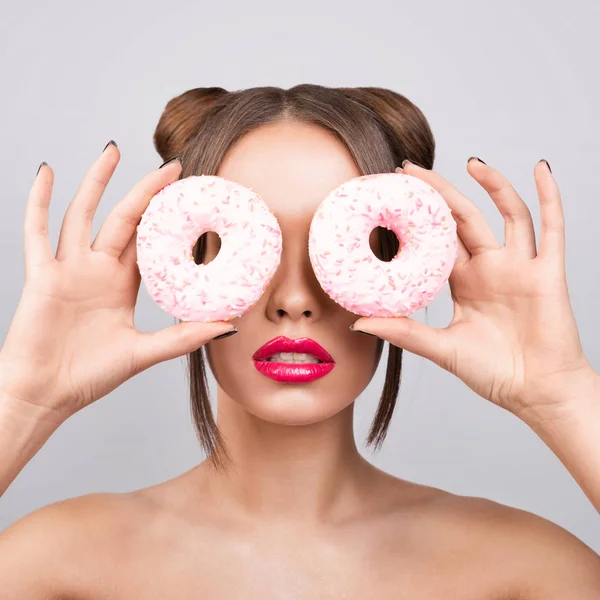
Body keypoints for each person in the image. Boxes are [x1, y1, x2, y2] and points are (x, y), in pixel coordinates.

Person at [1, 84, 599, 598]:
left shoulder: (525, 571)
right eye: (251, 250)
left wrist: (562, 395)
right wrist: (23, 398)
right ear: (187, 263)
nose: (294, 298)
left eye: (337, 247)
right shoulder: (53, 565)